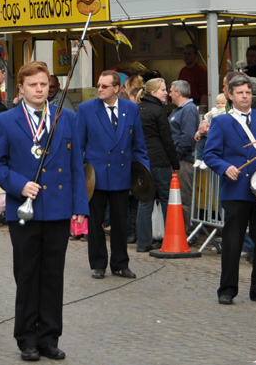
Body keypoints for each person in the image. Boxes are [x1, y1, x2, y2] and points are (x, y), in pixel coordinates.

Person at [0, 61, 89, 362]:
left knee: (53, 276)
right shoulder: (6, 121)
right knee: (28, 275)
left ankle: (49, 337)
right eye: (33, 85)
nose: (40, 89)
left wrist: (80, 206)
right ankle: (27, 338)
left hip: (57, 210)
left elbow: (76, 167)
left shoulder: (66, 118)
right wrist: (19, 185)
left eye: (44, 84)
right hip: (25, 211)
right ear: (21, 88)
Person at [203, 74, 256, 305]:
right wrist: (225, 167)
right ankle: (227, 290)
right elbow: (210, 155)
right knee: (232, 242)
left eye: (248, 92)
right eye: (239, 93)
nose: (245, 96)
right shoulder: (221, 121)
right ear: (230, 95)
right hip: (235, 190)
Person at [77, 70, 149, 278]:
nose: (99, 89)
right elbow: (78, 145)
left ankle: (120, 263)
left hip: (121, 174)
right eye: (98, 85)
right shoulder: (86, 109)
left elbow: (139, 146)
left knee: (120, 222)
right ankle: (98, 264)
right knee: (95, 222)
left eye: (104, 86)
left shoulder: (131, 109)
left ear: (117, 89)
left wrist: (144, 174)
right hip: (95, 176)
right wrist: (79, 175)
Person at [135, 78, 180, 252]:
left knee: (144, 201)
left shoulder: (137, 109)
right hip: (160, 161)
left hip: (142, 161)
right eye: (163, 89)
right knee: (168, 200)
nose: (166, 93)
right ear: (153, 92)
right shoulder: (159, 111)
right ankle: (170, 239)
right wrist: (175, 163)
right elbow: (167, 140)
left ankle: (143, 243)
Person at [168, 80, 200, 234]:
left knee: (185, 198)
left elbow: (187, 137)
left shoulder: (189, 110)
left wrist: (176, 158)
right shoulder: (178, 110)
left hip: (183, 161)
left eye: (171, 91)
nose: (169, 94)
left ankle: (187, 232)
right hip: (178, 159)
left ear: (178, 92)